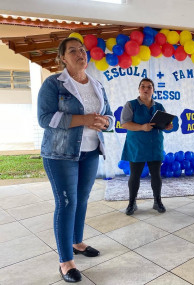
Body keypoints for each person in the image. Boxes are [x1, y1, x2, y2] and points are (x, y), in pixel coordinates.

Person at [37, 37, 114, 283]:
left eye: (82, 50)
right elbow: (45, 118)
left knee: (82, 200)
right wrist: (85, 120)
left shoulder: (96, 85)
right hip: (60, 154)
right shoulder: (53, 84)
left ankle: (78, 243)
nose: (80, 53)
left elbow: (110, 115)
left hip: (90, 151)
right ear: (63, 58)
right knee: (67, 202)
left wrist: (106, 122)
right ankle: (65, 260)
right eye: (73, 51)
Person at [121, 78, 173, 215]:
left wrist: (167, 126)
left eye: (149, 87)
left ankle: (158, 202)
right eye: (143, 86)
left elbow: (164, 125)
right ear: (139, 89)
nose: (146, 89)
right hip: (136, 146)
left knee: (156, 175)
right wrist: (142, 127)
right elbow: (125, 124)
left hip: (155, 145)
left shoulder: (160, 106)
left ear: (153, 90)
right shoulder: (130, 105)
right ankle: (132, 203)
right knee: (135, 176)